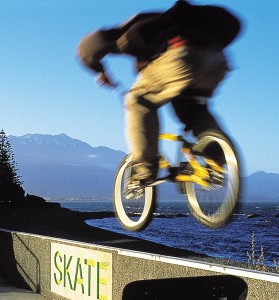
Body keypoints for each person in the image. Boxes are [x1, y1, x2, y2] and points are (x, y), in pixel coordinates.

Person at [77, 0, 242, 184]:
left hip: (184, 54)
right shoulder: (161, 27)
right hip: (217, 61)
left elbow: (87, 47)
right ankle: (216, 159)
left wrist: (100, 70)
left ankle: (144, 168)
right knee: (192, 109)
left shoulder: (123, 33)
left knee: (138, 100)